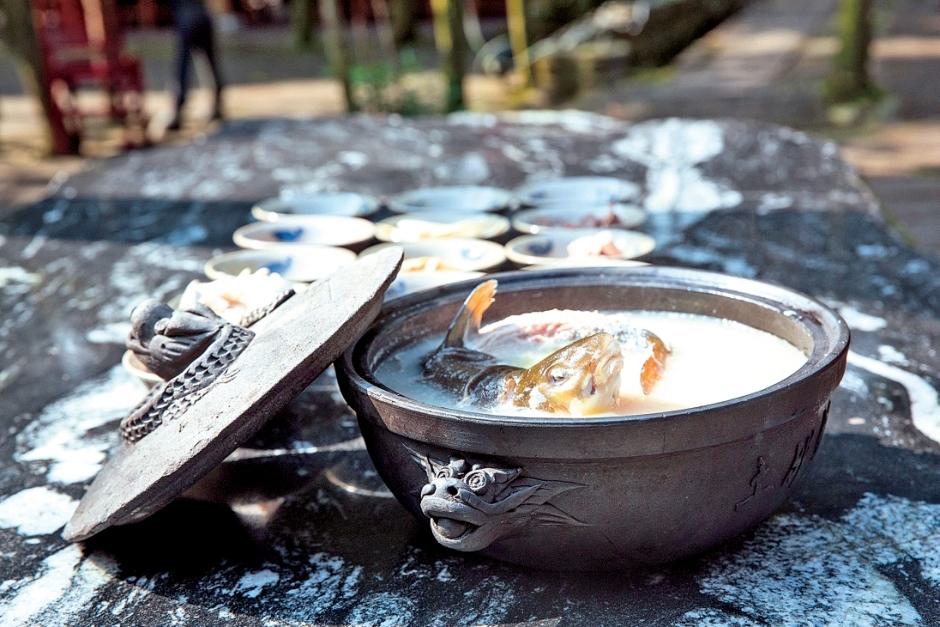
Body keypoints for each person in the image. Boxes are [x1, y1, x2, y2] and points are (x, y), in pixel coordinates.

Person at [167, 0, 225, 131]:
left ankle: (178, 111)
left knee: (183, 67)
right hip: (203, 16)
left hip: (188, 20)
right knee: (210, 64)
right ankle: (218, 105)